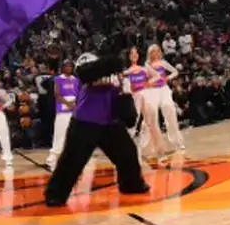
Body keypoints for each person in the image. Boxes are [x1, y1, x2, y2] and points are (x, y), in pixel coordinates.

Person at [44, 51, 150, 207]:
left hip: (110, 121)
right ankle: (55, 194)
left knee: (128, 153)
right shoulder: (86, 74)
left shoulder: (116, 78)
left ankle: (131, 184)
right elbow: (86, 72)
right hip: (84, 122)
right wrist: (113, 64)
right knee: (72, 160)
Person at [143, 44, 185, 152]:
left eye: (157, 51)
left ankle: (177, 142)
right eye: (153, 51)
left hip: (164, 89)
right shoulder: (146, 65)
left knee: (169, 108)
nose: (155, 53)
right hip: (152, 90)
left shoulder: (163, 62)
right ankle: (155, 144)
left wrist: (168, 78)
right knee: (152, 116)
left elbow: (175, 71)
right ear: (149, 53)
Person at [45, 60, 78, 170]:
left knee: (73, 136)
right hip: (62, 110)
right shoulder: (58, 79)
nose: (69, 68)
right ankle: (52, 158)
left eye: (70, 66)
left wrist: (75, 103)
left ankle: (71, 160)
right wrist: (67, 103)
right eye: (67, 66)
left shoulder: (76, 80)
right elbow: (57, 94)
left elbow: (79, 94)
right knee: (59, 135)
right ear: (62, 67)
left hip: (73, 111)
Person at [122, 47, 155, 156]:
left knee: (148, 120)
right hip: (134, 96)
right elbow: (128, 88)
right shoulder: (126, 72)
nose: (134, 55)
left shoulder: (144, 69)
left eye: (136, 52)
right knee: (134, 121)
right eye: (132, 53)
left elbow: (151, 81)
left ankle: (143, 145)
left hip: (145, 95)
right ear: (128, 56)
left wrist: (148, 85)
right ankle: (126, 144)